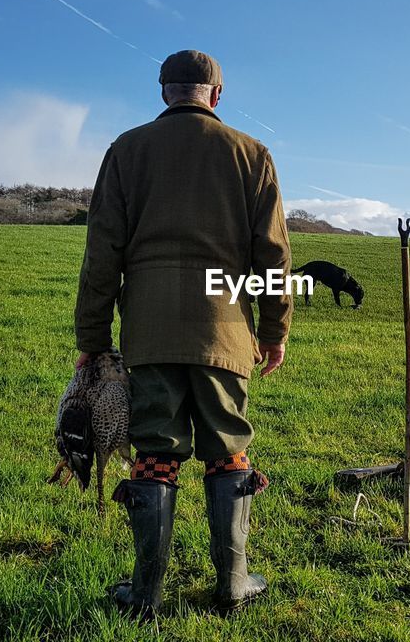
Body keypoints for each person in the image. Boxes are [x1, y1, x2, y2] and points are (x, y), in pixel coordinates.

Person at [73, 49, 292, 617]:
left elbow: (102, 253)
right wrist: (274, 329)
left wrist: (93, 339)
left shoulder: (126, 150)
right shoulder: (251, 153)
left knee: (156, 451)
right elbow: (272, 255)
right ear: (216, 95)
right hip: (225, 327)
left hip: (148, 326)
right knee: (228, 448)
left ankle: (144, 596)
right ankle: (234, 584)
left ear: (164, 91)